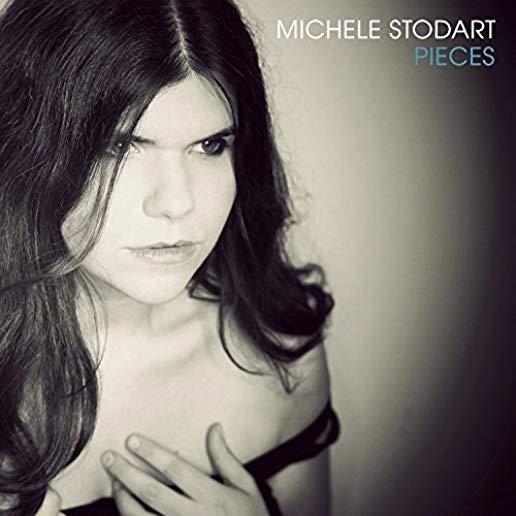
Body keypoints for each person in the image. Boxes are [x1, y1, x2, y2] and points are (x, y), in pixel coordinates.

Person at [0, 0, 339, 515]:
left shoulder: (277, 348)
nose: (177, 202)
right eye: (120, 147)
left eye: (210, 146)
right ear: (27, 147)